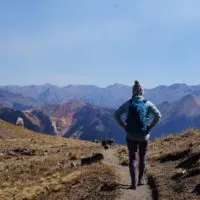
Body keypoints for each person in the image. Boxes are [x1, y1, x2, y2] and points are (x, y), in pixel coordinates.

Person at [114, 80, 161, 189]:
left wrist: (123, 126)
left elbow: (116, 115)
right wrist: (151, 126)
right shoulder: (147, 103)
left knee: (132, 158)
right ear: (142, 92)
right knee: (142, 157)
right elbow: (158, 115)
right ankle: (140, 180)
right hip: (144, 135)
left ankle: (133, 183)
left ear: (133, 92)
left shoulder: (128, 103)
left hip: (130, 135)